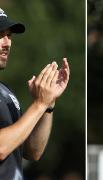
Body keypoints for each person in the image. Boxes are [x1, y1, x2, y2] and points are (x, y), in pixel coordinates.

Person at [0, 8, 70, 180]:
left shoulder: (6, 92)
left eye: (9, 35)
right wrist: (38, 104)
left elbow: (33, 151)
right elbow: (1, 148)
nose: (7, 43)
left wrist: (48, 104)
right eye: (0, 35)